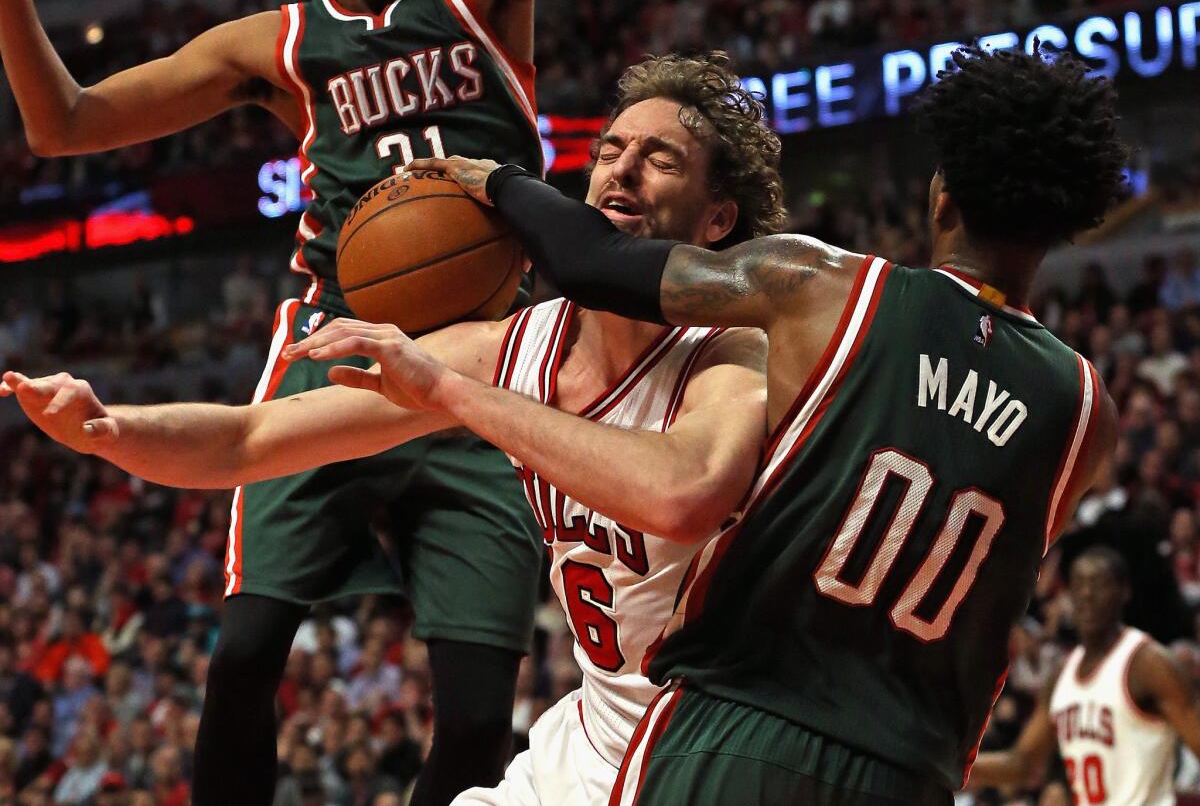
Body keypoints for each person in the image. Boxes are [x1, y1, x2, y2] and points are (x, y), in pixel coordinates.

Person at [1, 54, 782, 806]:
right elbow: (250, 439)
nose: (623, 168)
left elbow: (681, 492)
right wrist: (108, 426)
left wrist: (450, 391)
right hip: (592, 737)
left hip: (723, 735)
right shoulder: (518, 346)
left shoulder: (738, 351)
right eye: (611, 149)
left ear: (719, 218)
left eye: (661, 158)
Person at [410, 44, 1128, 803]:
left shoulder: (826, 287)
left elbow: (592, 262)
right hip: (911, 771)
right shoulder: (1085, 411)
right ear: (1060, 227)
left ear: (939, 197)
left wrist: (498, 180)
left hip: (739, 726)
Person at [0, 0, 545, 804]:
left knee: (477, 726)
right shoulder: (279, 42)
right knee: (246, 652)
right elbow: (61, 122)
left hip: (488, 358)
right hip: (333, 347)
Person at [972, 546, 1200, 805]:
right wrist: (953, 766)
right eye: (1078, 584)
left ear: (1124, 591)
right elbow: (1021, 763)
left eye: (1099, 584)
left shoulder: (1149, 664)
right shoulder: (1061, 675)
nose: (1087, 593)